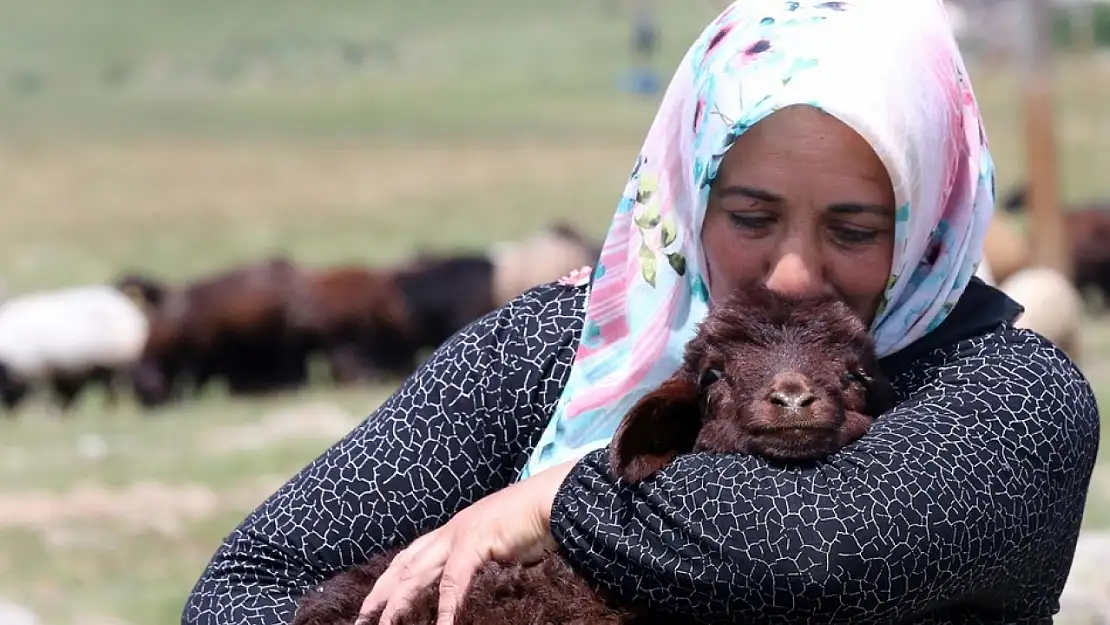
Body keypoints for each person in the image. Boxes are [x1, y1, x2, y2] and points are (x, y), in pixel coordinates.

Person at [181, 1, 1102, 624]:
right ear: (686, 186)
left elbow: (809, 551)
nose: (791, 272)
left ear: (933, 219)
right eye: (750, 216)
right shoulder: (554, 351)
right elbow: (242, 589)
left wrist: (545, 500)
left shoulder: (1006, 395)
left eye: (854, 228)